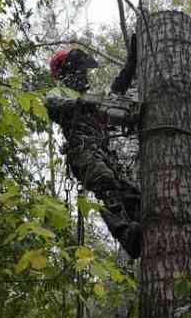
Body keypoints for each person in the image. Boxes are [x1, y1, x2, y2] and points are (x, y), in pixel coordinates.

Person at [46, 43, 141, 259]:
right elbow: (53, 105)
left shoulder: (93, 101)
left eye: (84, 70)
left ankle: (141, 229)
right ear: (67, 71)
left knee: (132, 194)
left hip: (103, 153)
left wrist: (131, 65)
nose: (84, 74)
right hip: (82, 151)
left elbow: (116, 94)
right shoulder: (61, 93)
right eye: (80, 69)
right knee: (105, 180)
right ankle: (125, 233)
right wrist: (79, 105)